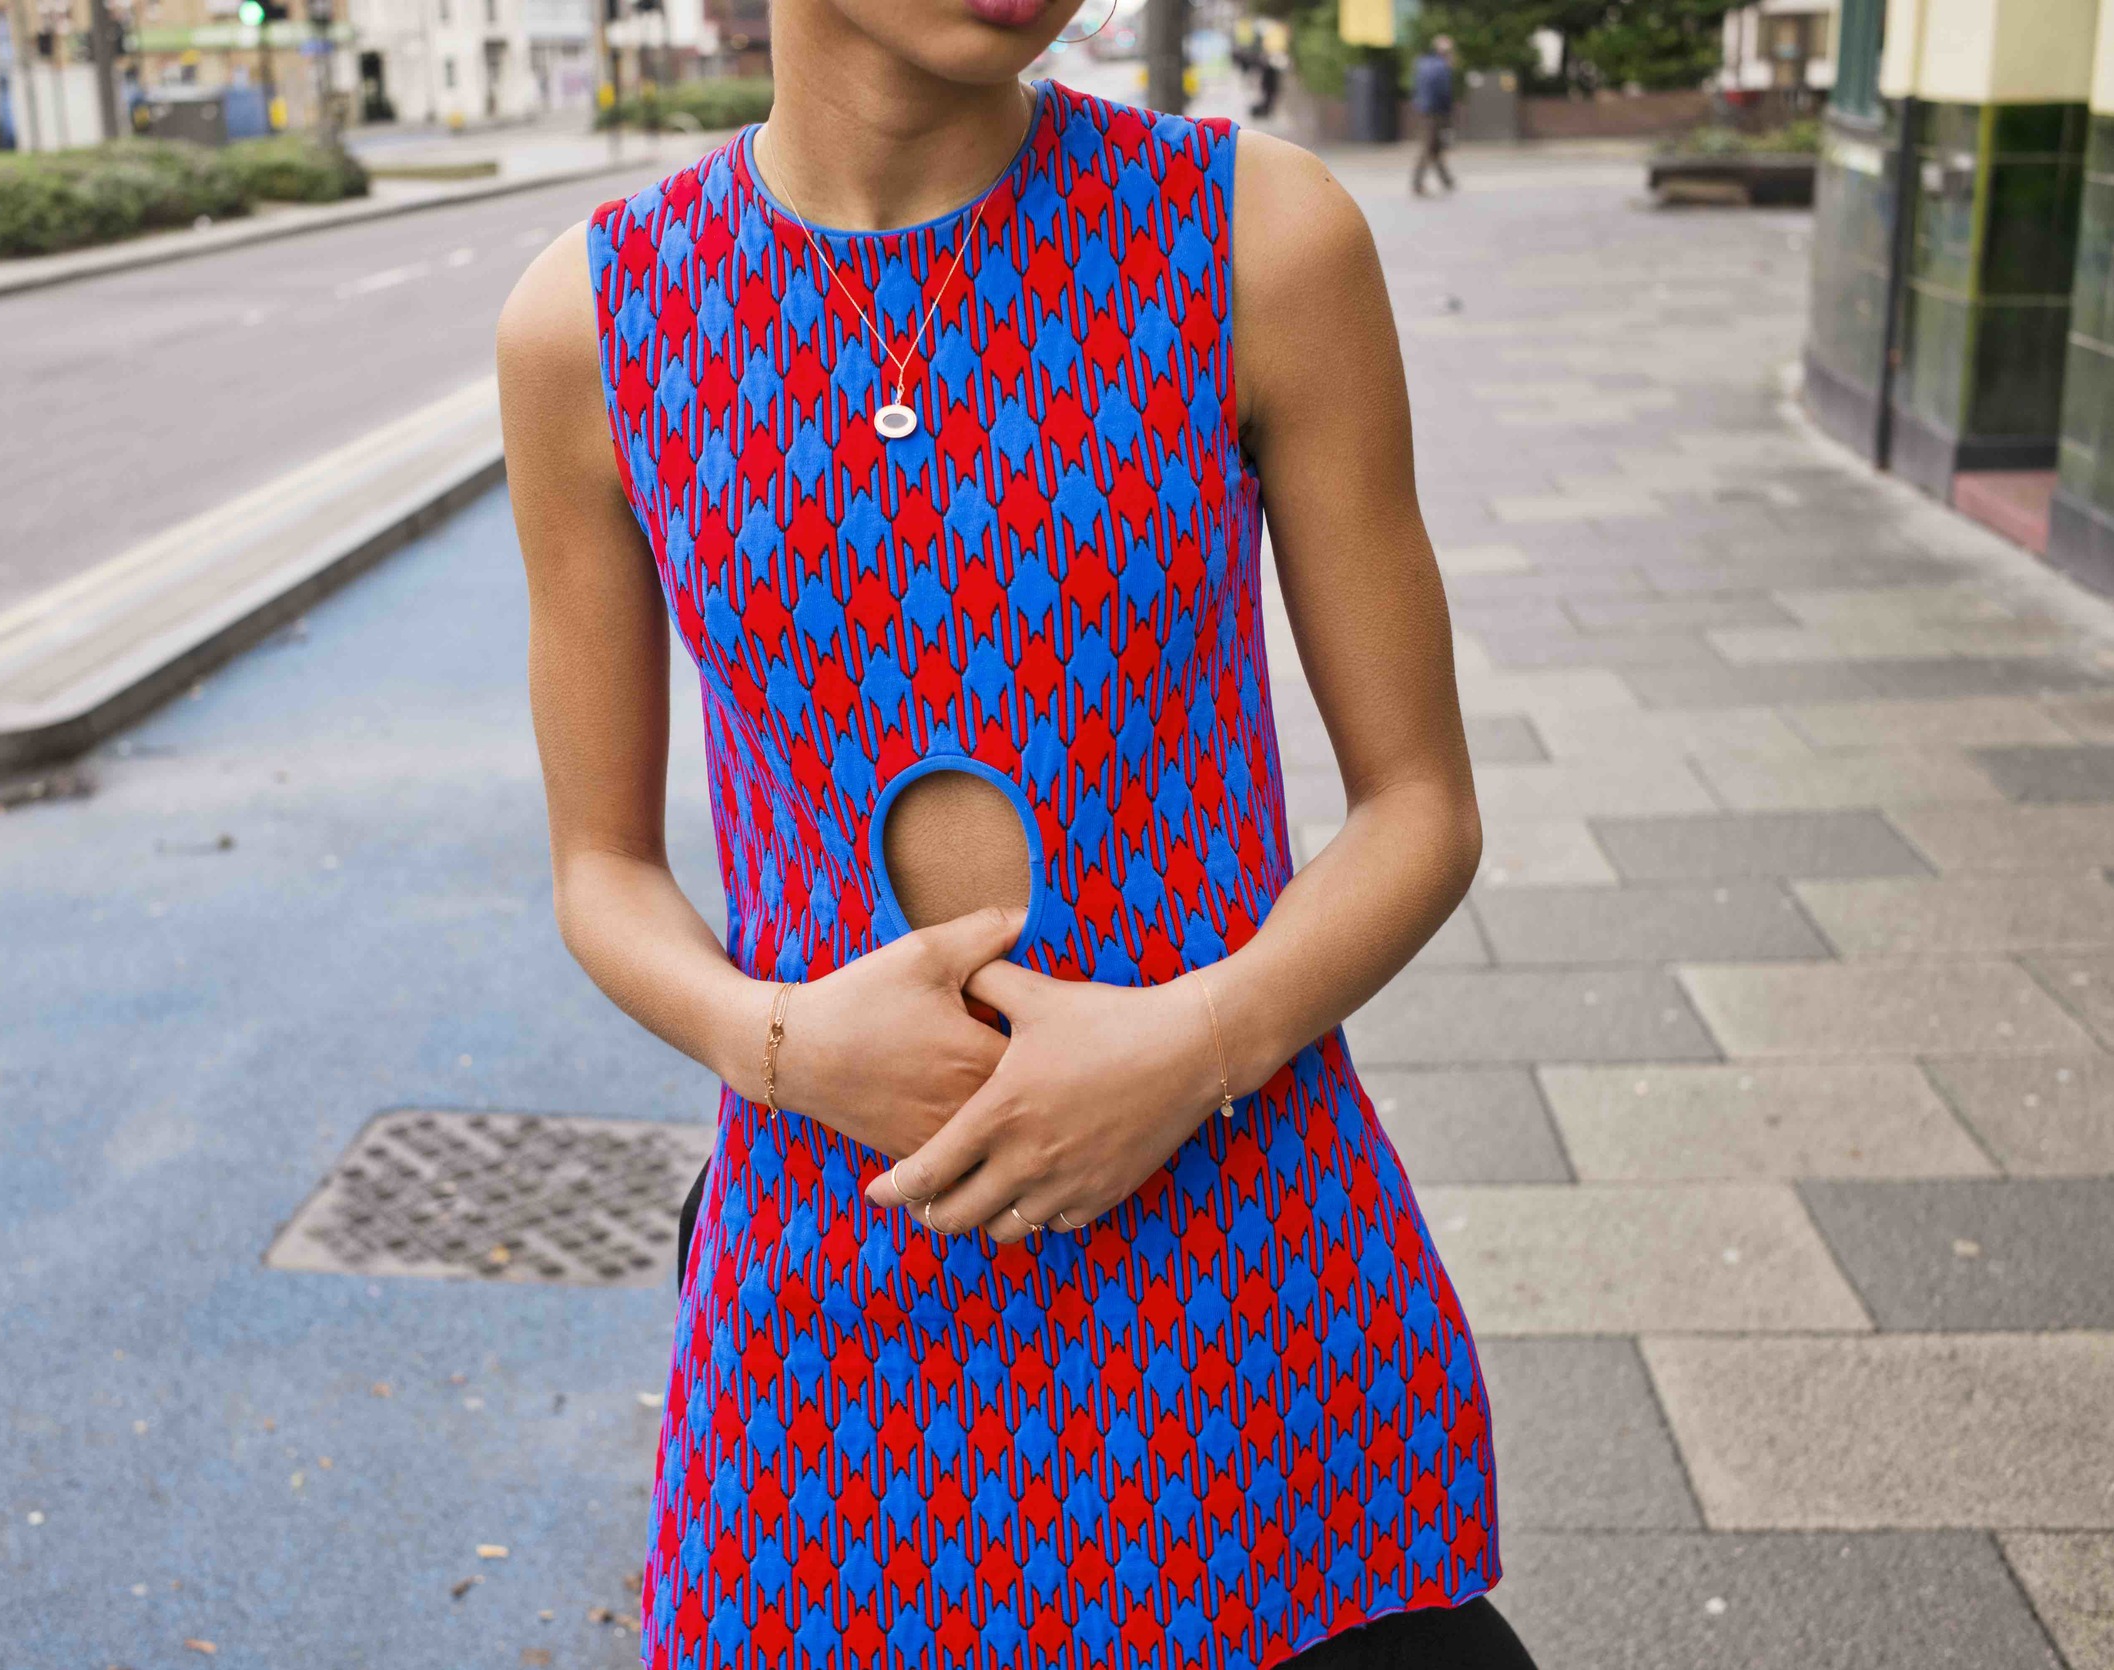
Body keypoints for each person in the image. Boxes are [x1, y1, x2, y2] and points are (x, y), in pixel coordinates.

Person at [495, 0, 1532, 1659]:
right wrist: (778, 1041)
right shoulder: (597, 324)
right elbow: (601, 866)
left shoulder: (1255, 239)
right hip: (841, 1298)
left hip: (1236, 1268)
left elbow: (1422, 807)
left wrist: (1193, 1043)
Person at [1412, 33, 1458, 196]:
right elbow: (1444, 92)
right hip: (1436, 112)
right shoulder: (1442, 67)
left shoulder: (1423, 64)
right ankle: (1417, 184)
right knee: (1429, 147)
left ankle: (1447, 180)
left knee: (1435, 147)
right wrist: (1448, 112)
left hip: (1424, 110)